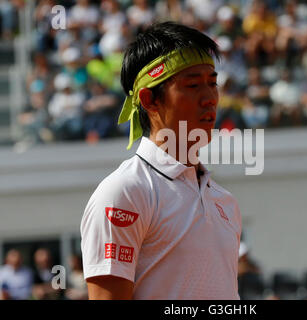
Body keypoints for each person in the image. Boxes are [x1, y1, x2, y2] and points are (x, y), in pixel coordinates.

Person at [81, 22, 242, 300]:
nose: (210, 99)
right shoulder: (125, 193)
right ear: (149, 100)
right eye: (192, 85)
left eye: (212, 83)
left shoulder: (224, 200)